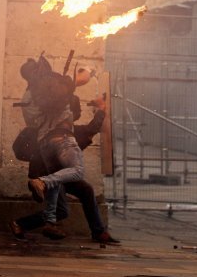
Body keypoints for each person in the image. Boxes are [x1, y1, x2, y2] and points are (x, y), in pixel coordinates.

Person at [16, 63, 120, 245]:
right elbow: (89, 128)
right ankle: (24, 221)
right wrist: (101, 107)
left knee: (83, 190)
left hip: (46, 152)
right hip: (54, 149)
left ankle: (97, 231)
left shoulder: (35, 97)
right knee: (70, 189)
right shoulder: (51, 98)